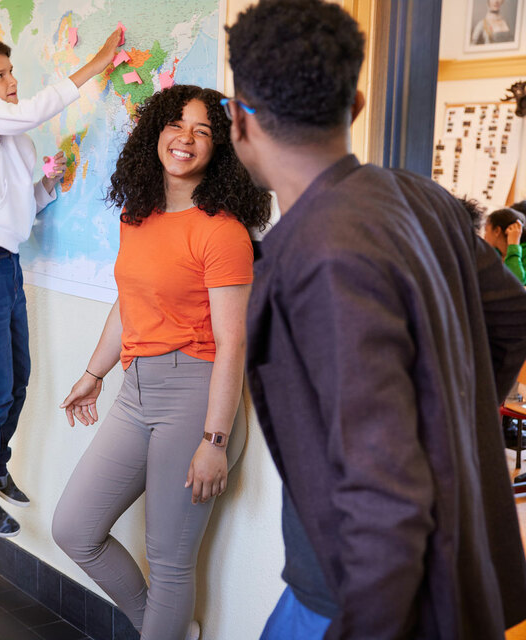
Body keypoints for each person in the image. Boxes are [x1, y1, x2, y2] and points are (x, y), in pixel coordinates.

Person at [224, 1, 526, 637]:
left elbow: (386, 496)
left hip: (366, 596)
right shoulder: (420, 197)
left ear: (238, 119)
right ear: (356, 106)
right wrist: (445, 427)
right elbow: (513, 319)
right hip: (420, 575)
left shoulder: (322, 254)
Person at [52, 85, 271, 640]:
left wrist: (215, 441)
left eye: (204, 131)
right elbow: (130, 305)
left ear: (219, 149)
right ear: (155, 133)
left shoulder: (222, 232)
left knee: (169, 561)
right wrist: (93, 373)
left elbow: (233, 344)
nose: (186, 139)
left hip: (196, 397)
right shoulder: (138, 215)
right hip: (136, 391)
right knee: (75, 527)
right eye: (177, 125)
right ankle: (171, 633)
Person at [0, 30, 122, 537]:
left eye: (12, 71)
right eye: (1, 74)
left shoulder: (14, 136)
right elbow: (29, 112)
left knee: (18, 378)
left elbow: (21, 206)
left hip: (5, 261)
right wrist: (96, 64)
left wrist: (48, 184)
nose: (13, 81)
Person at [484, 207, 526, 285]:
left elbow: (516, 283)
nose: (484, 236)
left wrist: (513, 245)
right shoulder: (494, 254)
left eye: (486, 230)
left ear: (497, 231)